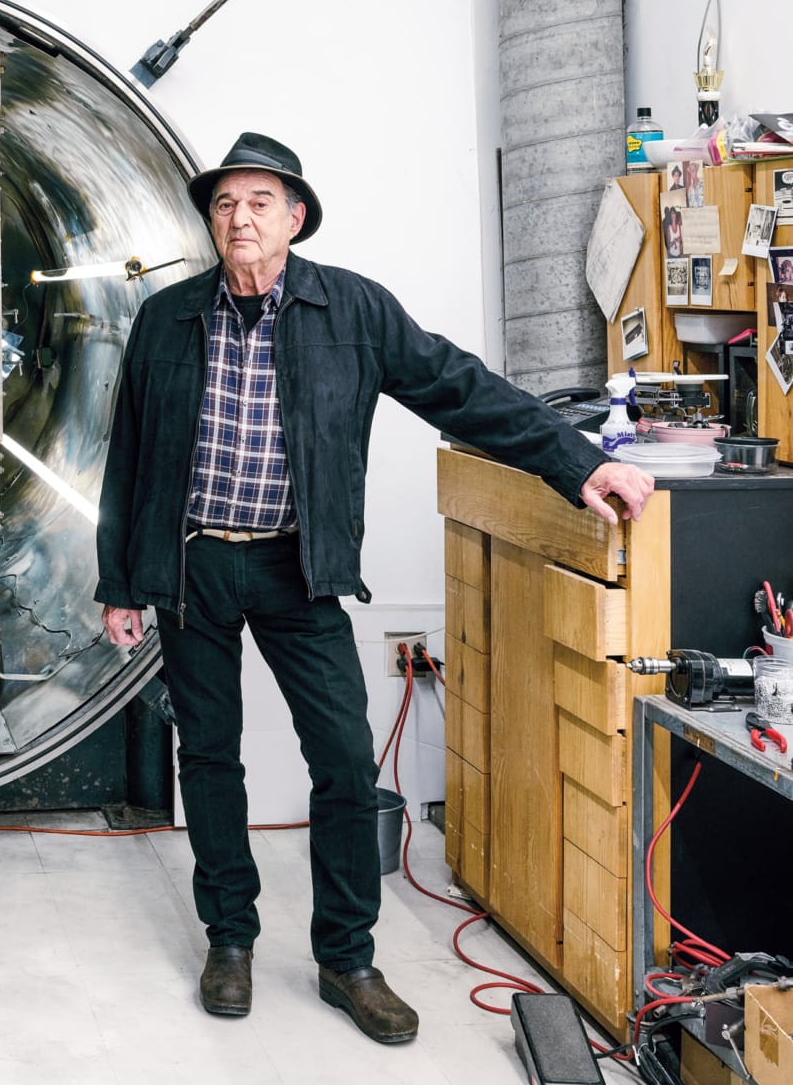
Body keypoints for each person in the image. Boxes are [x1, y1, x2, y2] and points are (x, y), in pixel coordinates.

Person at [94, 132, 653, 1044]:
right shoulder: (167, 318)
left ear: (295, 219)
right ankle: (228, 939)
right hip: (190, 567)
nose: (240, 218)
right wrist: (120, 581)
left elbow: (456, 386)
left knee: (345, 764)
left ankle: (346, 958)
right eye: (225, 204)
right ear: (211, 220)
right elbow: (129, 454)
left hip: (296, 567)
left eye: (260, 203)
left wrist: (575, 461)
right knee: (209, 758)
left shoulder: (349, 309)